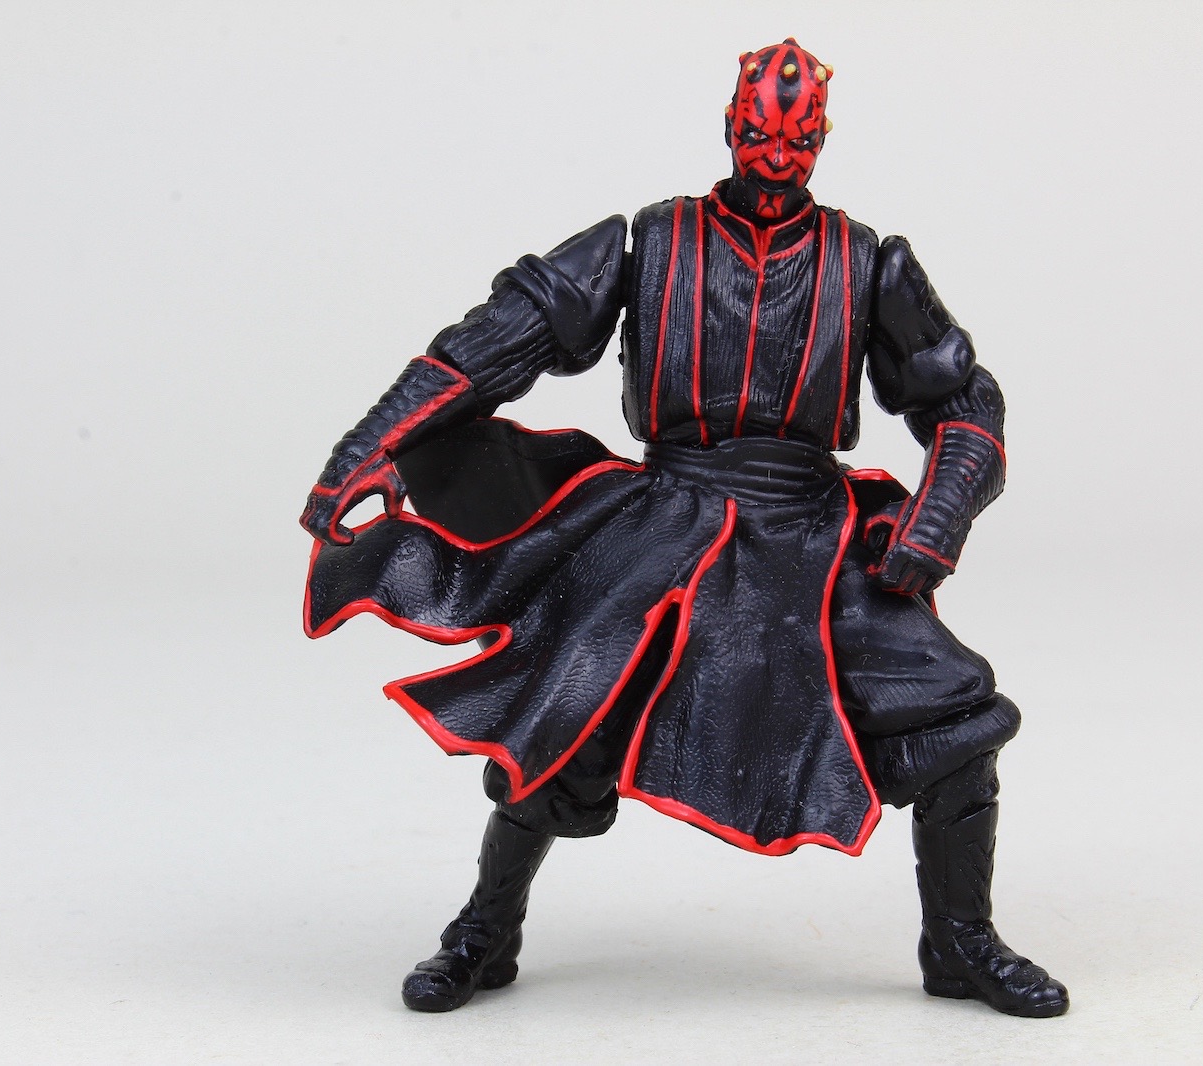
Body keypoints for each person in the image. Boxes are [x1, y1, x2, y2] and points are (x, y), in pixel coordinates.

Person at [300, 38, 1068, 1018]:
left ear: (821, 141)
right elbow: (492, 342)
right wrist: (367, 446)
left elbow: (963, 402)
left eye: (796, 141)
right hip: (663, 523)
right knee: (562, 714)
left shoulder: (867, 262)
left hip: (812, 530)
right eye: (758, 135)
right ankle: (484, 932)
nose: (775, 157)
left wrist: (936, 520)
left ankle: (960, 943)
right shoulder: (652, 242)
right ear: (730, 127)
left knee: (956, 715)